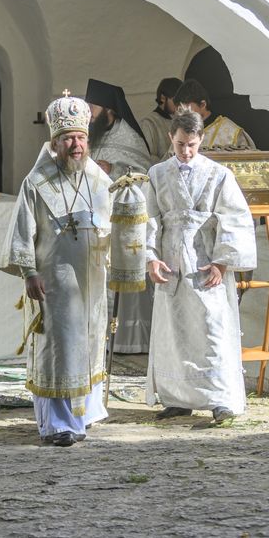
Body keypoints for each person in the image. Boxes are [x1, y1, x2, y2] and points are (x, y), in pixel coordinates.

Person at [0, 91, 113, 447]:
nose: (76, 145)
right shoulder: (36, 183)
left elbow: (114, 223)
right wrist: (29, 273)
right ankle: (59, 424)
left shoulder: (99, 179)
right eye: (68, 139)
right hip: (54, 281)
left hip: (91, 281)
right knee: (60, 349)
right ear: (55, 143)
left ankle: (86, 413)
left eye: (80, 138)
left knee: (88, 343)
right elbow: (22, 232)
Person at [144, 108, 257, 424]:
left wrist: (222, 262)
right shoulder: (157, 174)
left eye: (192, 145)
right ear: (171, 138)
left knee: (211, 328)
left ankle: (219, 398)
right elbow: (148, 218)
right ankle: (178, 397)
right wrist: (151, 257)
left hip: (204, 258)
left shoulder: (218, 175)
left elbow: (234, 217)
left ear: (201, 139)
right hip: (171, 260)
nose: (186, 151)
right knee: (174, 331)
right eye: (180, 144)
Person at [85, 78, 155, 353]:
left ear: (109, 109)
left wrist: (112, 168)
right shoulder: (96, 134)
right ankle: (99, 336)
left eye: (93, 108)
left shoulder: (129, 136)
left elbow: (144, 175)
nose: (90, 114)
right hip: (99, 216)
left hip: (124, 221)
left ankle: (127, 339)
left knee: (122, 275)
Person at [173, 78, 256, 151]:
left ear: (202, 105)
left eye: (187, 110)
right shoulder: (181, 131)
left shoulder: (231, 132)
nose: (182, 116)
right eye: (180, 111)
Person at [139, 77, 182, 162]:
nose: (179, 104)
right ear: (163, 98)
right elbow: (146, 158)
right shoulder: (148, 123)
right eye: (176, 100)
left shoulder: (179, 121)